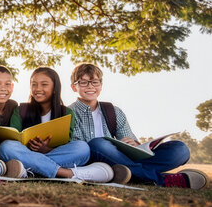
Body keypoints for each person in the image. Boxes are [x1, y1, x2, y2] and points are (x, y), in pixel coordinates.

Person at [69, 63, 208, 189]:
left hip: (122, 159)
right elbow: (79, 148)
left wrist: (132, 143)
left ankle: (128, 174)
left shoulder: (114, 111)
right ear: (74, 87)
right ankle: (162, 180)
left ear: (101, 84)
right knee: (97, 144)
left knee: (180, 149)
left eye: (95, 82)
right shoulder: (68, 113)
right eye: (83, 82)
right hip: (95, 163)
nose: (90, 86)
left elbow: (130, 140)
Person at [0, 67, 114, 182]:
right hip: (26, 152)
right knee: (7, 146)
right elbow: (15, 138)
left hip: (50, 154)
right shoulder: (21, 110)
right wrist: (30, 148)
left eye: (44, 84)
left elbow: (67, 144)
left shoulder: (66, 113)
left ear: (54, 88)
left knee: (82, 148)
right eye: (34, 84)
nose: (38, 89)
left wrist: (47, 149)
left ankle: (28, 170)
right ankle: (62, 173)